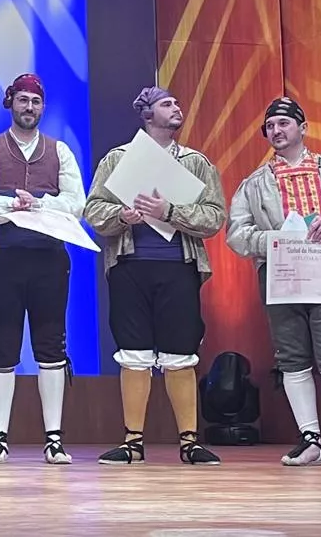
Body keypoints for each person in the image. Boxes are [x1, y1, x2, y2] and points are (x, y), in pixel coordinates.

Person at [227, 96, 321, 469]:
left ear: (303, 128)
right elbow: (236, 233)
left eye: (284, 124)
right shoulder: (255, 182)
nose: (276, 132)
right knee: (291, 356)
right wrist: (276, 238)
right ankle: (309, 439)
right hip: (280, 274)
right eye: (270, 127)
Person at [83, 86, 227, 465]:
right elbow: (93, 211)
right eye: (167, 104)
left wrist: (171, 211)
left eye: (178, 103)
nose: (177, 108)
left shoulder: (196, 162)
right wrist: (121, 216)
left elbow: (215, 217)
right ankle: (132, 441)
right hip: (129, 266)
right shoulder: (117, 160)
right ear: (147, 114)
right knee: (134, 353)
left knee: (181, 352)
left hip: (179, 266)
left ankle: (190, 441)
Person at [0, 72, 86, 465]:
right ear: (11, 103)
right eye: (23, 100)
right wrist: (12, 206)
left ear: (43, 107)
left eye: (36, 102)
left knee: (51, 346)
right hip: (4, 257)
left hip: (48, 259)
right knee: (2, 347)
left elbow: (78, 203)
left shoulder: (59, 152)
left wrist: (38, 203)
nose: (29, 108)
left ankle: (54, 438)